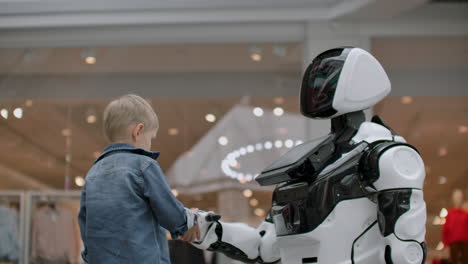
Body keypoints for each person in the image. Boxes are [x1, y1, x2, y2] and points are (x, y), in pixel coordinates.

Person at [78, 94, 200, 264]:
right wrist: (187, 224)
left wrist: (89, 256)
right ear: (138, 131)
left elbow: (85, 221)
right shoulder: (144, 165)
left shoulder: (93, 174)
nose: (150, 143)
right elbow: (167, 208)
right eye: (150, 138)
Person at [442, 189, 468, 264]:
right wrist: (446, 244)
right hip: (453, 242)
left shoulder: (465, 214)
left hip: (465, 241)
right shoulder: (450, 214)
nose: (458, 200)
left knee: (465, 260)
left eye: (460, 197)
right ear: (453, 199)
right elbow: (445, 230)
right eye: (456, 198)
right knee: (454, 260)